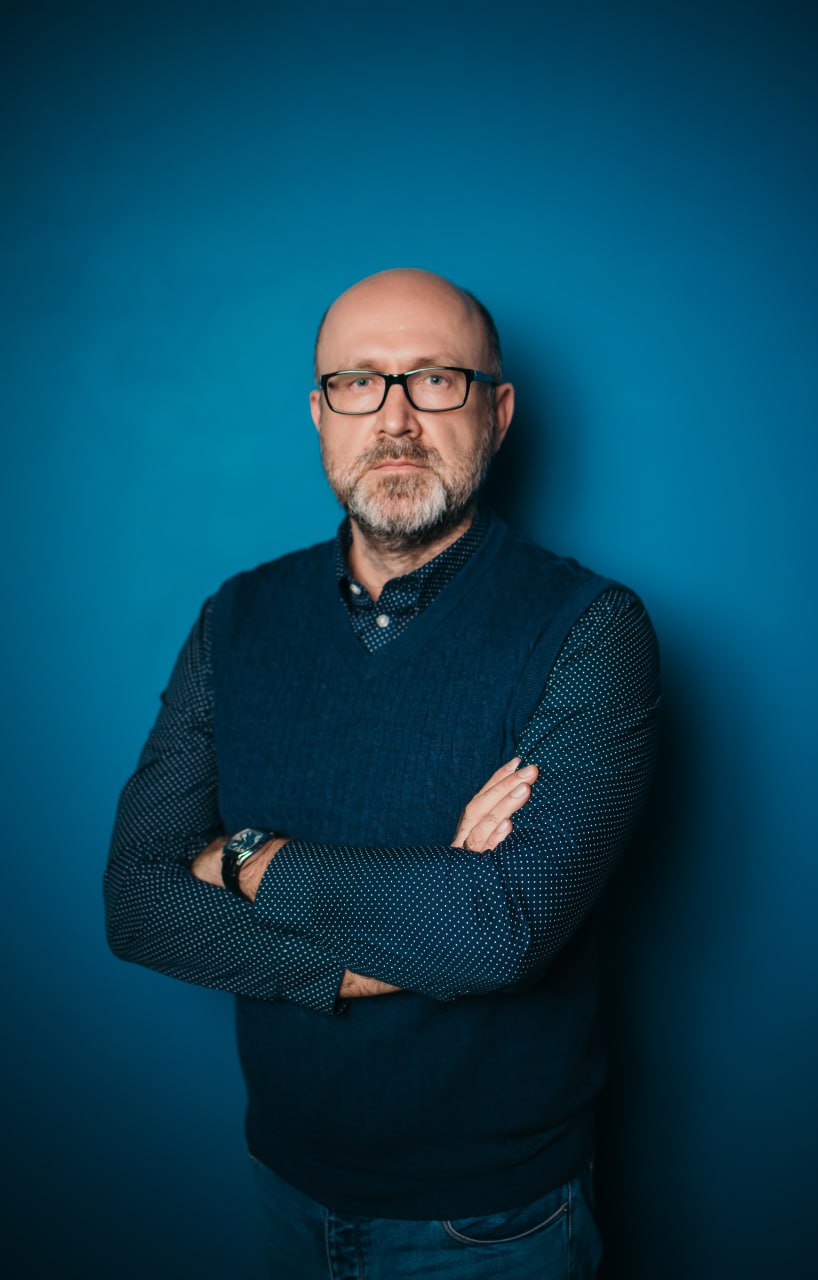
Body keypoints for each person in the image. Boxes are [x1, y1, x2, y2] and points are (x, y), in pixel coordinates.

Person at [105, 267, 660, 1279]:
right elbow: (138, 901)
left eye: (435, 380)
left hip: (495, 1220)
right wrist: (409, 927)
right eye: (358, 382)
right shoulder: (236, 618)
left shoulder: (590, 628)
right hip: (284, 1180)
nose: (394, 418)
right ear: (320, 414)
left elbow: (498, 931)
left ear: (496, 412)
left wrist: (242, 858)